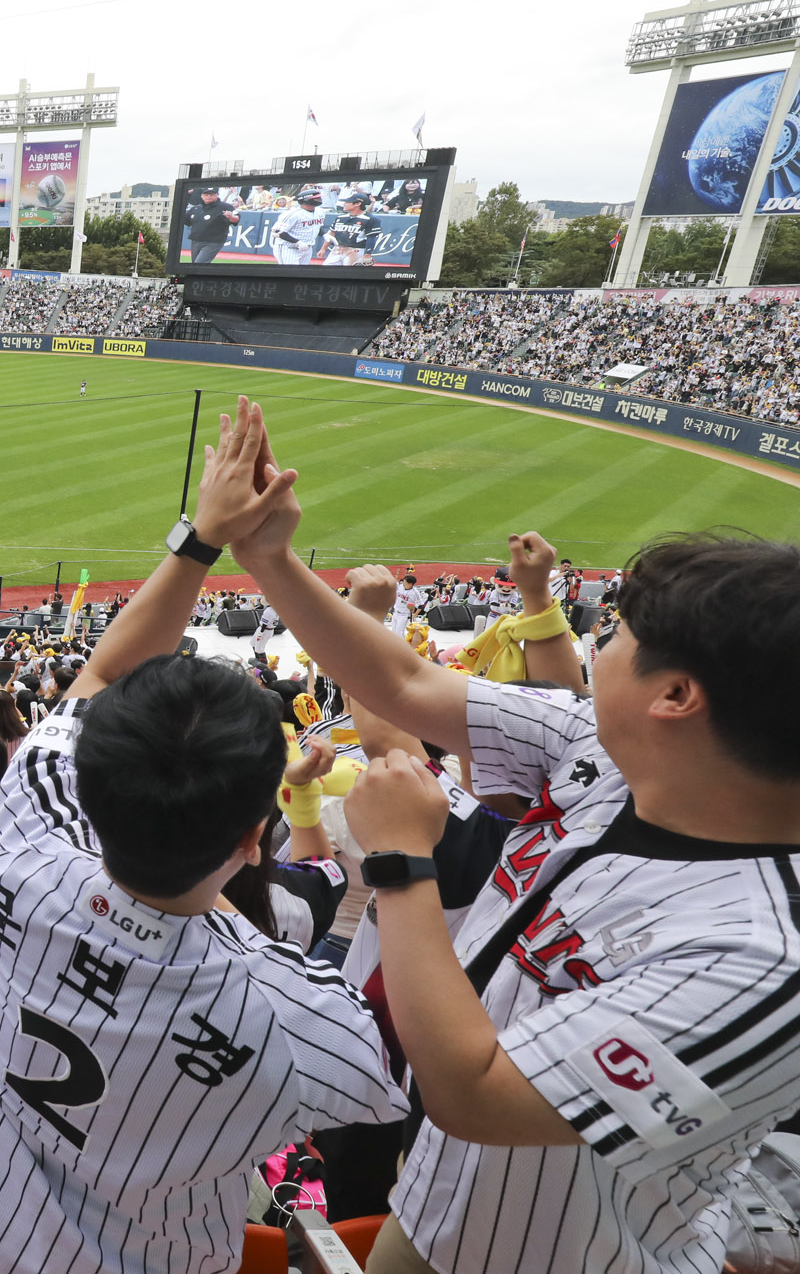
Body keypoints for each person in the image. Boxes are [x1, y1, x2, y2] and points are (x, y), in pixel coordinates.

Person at [230, 406, 800, 1274]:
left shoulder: (758, 954)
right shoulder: (606, 750)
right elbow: (404, 680)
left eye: (618, 635)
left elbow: (477, 1092)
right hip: (436, 1207)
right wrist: (270, 559)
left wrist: (400, 862)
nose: (599, 645)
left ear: (676, 696)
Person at [0, 401, 406, 1273]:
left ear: (93, 787)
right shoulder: (293, 1004)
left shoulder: (27, 827)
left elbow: (105, 667)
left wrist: (203, 537)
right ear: (253, 836)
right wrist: (399, 861)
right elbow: (427, 1076)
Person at [320, 192, 382, 266]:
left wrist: (367, 254)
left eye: (347, 202)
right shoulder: (340, 218)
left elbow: (371, 238)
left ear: (358, 204)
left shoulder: (370, 219)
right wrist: (323, 248)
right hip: (337, 249)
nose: (344, 204)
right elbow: (331, 234)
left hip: (356, 250)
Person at [271, 188, 329, 266]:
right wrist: (297, 242)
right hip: (288, 248)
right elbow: (277, 231)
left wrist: (324, 234)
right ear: (306, 200)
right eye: (317, 198)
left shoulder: (320, 211)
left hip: (307, 248)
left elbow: (316, 226)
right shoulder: (292, 213)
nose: (320, 199)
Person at [183, 187, 240, 265]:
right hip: (196, 241)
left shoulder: (226, 207)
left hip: (213, 242)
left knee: (199, 263)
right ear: (202, 196)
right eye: (206, 194)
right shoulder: (196, 208)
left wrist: (231, 217)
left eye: (211, 194)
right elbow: (186, 221)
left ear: (217, 195)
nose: (209, 196)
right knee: (195, 265)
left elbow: (236, 219)